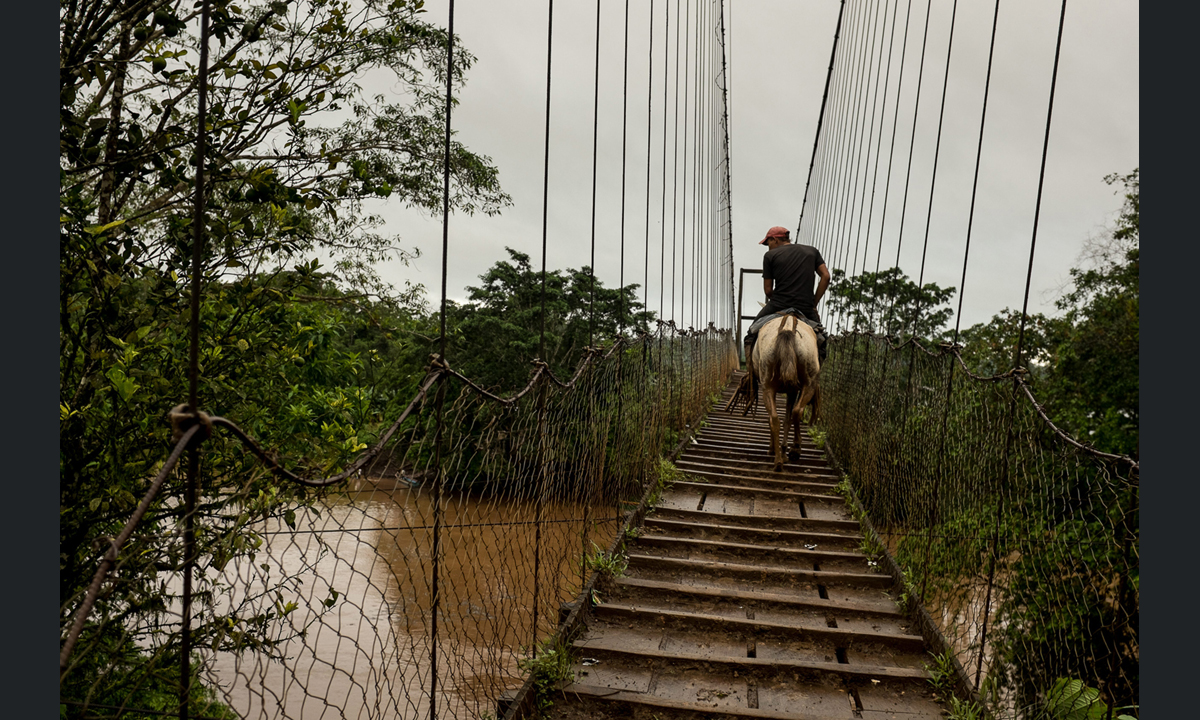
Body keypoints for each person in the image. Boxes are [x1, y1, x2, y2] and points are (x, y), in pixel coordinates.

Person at [744, 225, 831, 362]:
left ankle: (751, 380)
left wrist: (779, 300)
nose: (768, 247)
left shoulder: (770, 256)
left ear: (775, 239)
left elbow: (768, 290)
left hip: (778, 305)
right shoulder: (812, 251)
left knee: (751, 334)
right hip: (805, 307)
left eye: (768, 243)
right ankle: (816, 375)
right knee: (822, 339)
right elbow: (826, 276)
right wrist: (813, 303)